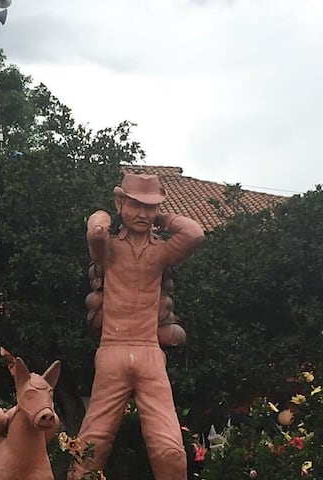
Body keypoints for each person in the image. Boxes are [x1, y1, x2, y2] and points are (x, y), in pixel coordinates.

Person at [70, 173, 205, 480]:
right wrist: (101, 218)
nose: (144, 214)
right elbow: (95, 235)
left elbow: (195, 234)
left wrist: (163, 218)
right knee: (93, 443)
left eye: (151, 207)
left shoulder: (160, 253)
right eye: (136, 205)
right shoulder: (109, 250)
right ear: (120, 202)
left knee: (169, 448)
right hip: (113, 352)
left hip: (149, 353)